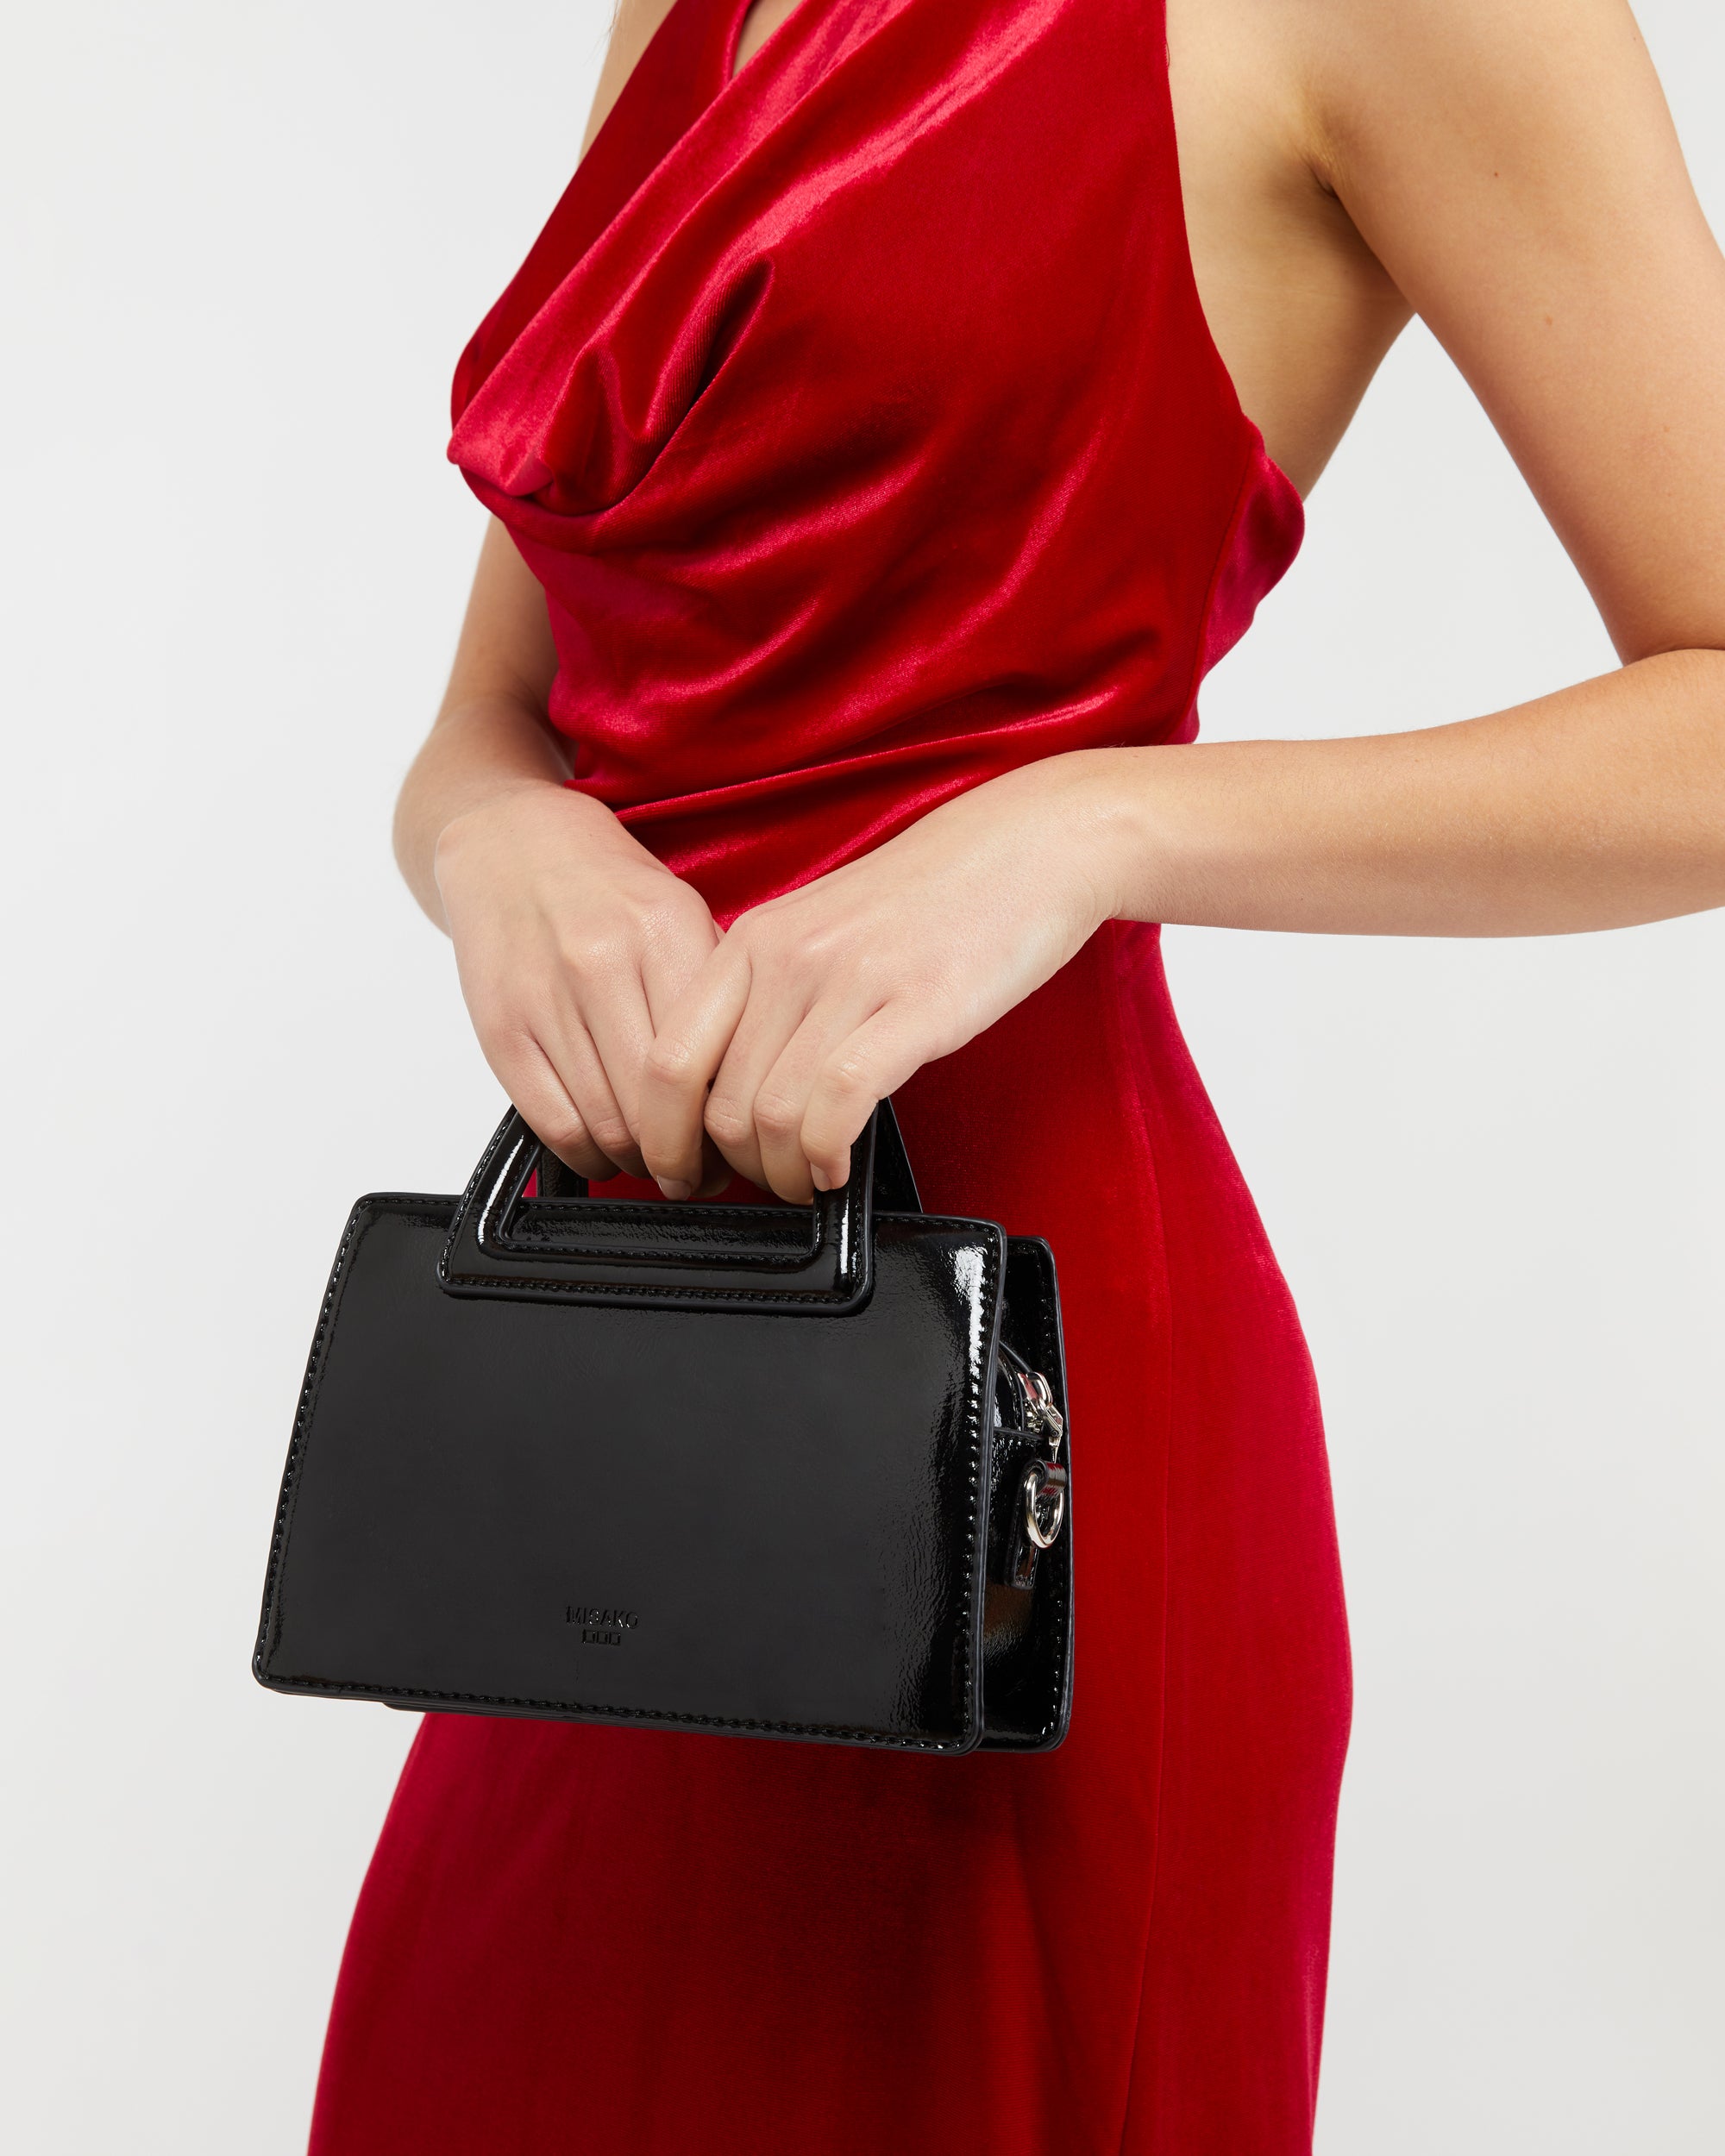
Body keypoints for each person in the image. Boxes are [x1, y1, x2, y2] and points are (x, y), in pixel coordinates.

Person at [307, 0, 1725, 2148]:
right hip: (602, 1438)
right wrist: (492, 837)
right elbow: (495, 718)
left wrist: (1092, 823)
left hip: (1020, 1455)